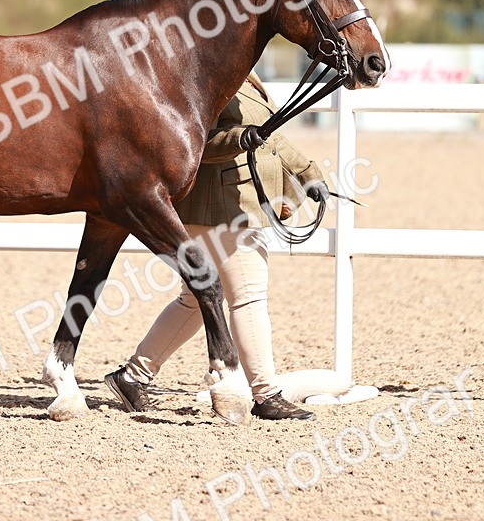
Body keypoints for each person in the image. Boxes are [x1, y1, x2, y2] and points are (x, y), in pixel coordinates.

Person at [105, 72, 327, 422]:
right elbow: (189, 143)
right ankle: (266, 394)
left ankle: (132, 377)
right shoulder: (209, 77)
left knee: (194, 300)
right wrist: (240, 139)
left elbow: (271, 135)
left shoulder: (245, 75)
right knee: (249, 296)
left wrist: (308, 173)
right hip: (221, 205)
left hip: (228, 204)